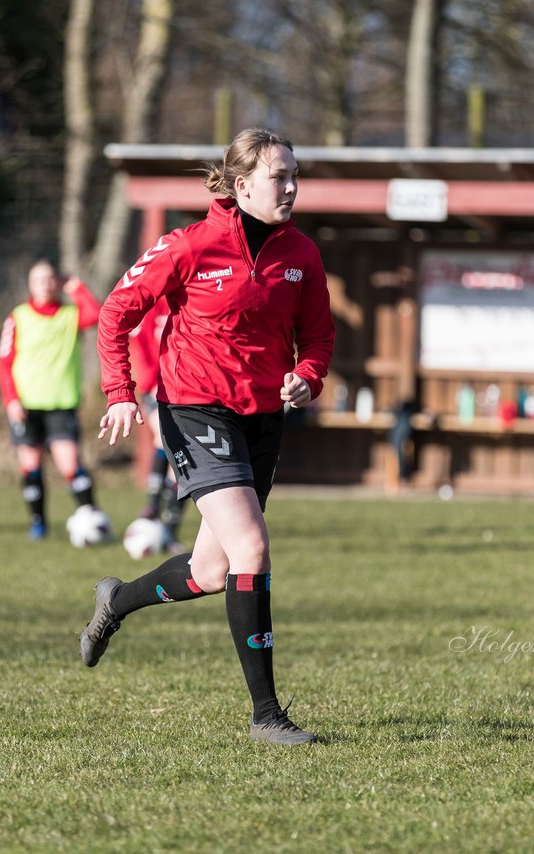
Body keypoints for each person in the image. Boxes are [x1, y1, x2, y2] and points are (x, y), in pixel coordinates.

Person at [81, 128, 335, 746]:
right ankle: (267, 716)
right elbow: (116, 311)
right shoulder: (189, 245)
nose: (292, 187)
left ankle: (116, 601)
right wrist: (120, 392)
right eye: (280, 177)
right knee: (252, 550)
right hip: (196, 410)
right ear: (242, 185)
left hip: (261, 418)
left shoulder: (302, 253)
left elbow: (319, 339)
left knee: (212, 569)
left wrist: (307, 376)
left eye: (295, 174)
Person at [0, 260, 103, 540]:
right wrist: (11, 401)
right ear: (30, 285)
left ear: (58, 282)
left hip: (60, 403)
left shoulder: (70, 315)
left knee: (70, 465)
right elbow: (4, 363)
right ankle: (38, 524)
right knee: (30, 466)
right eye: (38, 279)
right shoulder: (17, 317)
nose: (45, 284)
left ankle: (92, 519)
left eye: (50, 279)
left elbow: (96, 316)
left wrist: (76, 287)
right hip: (27, 405)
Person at [129, 301, 185, 549]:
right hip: (157, 388)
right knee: (164, 438)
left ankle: (170, 528)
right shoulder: (151, 305)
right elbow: (138, 349)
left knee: (184, 458)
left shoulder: (193, 295)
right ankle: (153, 505)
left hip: (192, 391)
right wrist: (149, 383)